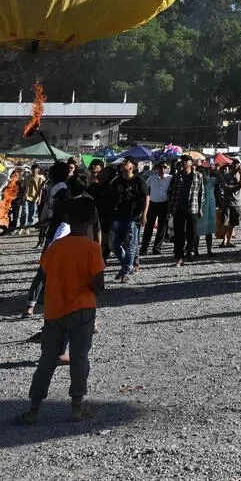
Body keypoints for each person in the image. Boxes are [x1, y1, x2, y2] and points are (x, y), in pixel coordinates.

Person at [20, 197, 104, 425]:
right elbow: (99, 284)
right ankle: (77, 407)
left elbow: (45, 272)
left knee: (47, 360)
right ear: (91, 220)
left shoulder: (55, 247)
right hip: (82, 308)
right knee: (79, 358)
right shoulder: (92, 248)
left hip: (55, 309)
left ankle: (33, 409)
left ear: (68, 218)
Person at [107, 158, 148, 283]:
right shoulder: (117, 181)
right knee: (113, 245)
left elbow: (146, 197)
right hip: (118, 216)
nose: (124, 169)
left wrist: (144, 215)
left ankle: (125, 271)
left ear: (133, 167)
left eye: (127, 165)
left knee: (131, 245)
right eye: (123, 167)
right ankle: (126, 265)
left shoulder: (139, 180)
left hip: (133, 216)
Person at [166, 155, 204, 267]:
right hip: (178, 208)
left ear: (191, 163)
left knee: (192, 232)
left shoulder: (198, 176)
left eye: (186, 161)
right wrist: (170, 209)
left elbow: (201, 193)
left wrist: (200, 208)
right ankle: (179, 256)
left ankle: (190, 251)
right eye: (182, 161)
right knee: (178, 234)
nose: (183, 163)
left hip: (193, 207)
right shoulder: (177, 176)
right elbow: (172, 193)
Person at [140, 160, 171, 256]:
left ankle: (157, 248)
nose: (162, 169)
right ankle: (144, 248)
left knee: (162, 228)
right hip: (152, 204)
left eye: (164, 167)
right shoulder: (152, 178)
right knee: (148, 227)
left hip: (164, 204)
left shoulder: (170, 178)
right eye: (161, 167)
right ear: (157, 168)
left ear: (167, 169)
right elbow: (145, 187)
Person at [215, 161, 241, 248]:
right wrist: (234, 187)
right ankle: (224, 240)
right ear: (231, 165)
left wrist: (240, 174)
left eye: (238, 164)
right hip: (227, 202)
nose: (236, 165)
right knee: (225, 222)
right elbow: (225, 187)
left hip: (238, 203)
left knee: (233, 224)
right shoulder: (226, 176)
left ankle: (229, 241)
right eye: (234, 163)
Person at [194, 164, 217, 259]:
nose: (200, 173)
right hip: (199, 208)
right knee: (196, 230)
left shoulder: (211, 181)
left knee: (209, 231)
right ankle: (195, 250)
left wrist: (214, 169)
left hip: (210, 208)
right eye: (198, 171)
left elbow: (220, 177)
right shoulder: (195, 182)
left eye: (202, 171)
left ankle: (209, 249)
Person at [19, 164, 44, 235]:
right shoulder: (27, 178)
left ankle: (28, 227)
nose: (34, 170)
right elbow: (23, 188)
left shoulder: (40, 177)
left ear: (38, 169)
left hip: (35, 198)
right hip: (26, 197)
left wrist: (39, 198)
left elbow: (41, 189)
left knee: (31, 214)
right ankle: (21, 227)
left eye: (36, 169)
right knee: (25, 212)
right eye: (33, 169)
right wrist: (22, 197)